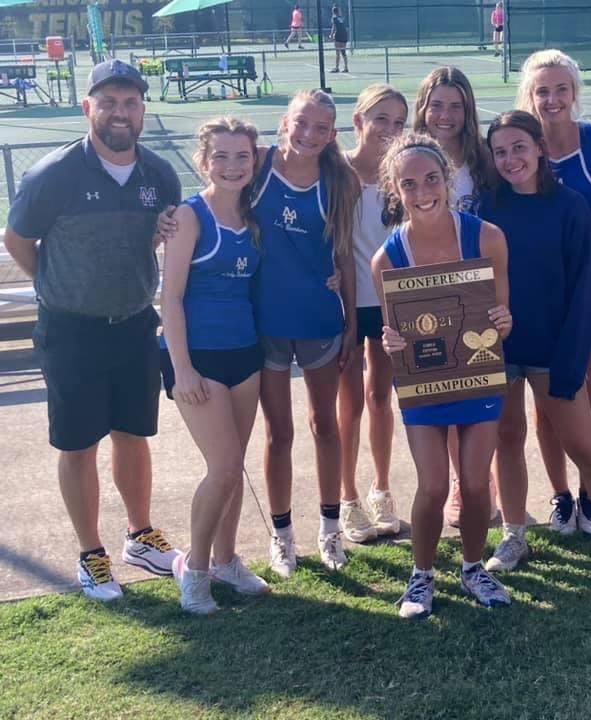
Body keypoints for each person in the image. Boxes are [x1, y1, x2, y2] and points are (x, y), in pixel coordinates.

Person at [2, 59, 180, 601]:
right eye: (109, 103)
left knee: (134, 434)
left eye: (130, 102)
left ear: (143, 109)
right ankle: (90, 553)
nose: (120, 113)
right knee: (78, 444)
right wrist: (62, 285)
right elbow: (18, 241)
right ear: (88, 108)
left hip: (133, 326)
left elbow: (154, 237)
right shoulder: (52, 175)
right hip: (70, 331)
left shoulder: (159, 174)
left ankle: (139, 535)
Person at [477, 110, 591, 578]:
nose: (510, 158)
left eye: (519, 147)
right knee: (507, 439)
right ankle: (514, 535)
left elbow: (585, 290)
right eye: (500, 151)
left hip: (551, 350)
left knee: (583, 444)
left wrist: (570, 359)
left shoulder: (570, 208)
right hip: (497, 350)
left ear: (540, 148)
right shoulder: (485, 208)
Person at [372, 133, 513, 620]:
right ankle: (422, 574)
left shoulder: (487, 237)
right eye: (408, 183)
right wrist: (391, 343)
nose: (422, 191)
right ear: (395, 189)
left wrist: (503, 320)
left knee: (475, 483)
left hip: (478, 375)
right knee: (433, 486)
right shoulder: (388, 259)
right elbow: (395, 335)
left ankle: (473, 567)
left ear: (447, 179)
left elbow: (502, 311)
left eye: (431, 178)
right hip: (425, 386)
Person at [161, 117, 270, 614]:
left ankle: (227, 560)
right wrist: (181, 369)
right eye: (220, 157)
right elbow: (172, 299)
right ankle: (195, 569)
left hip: (244, 355)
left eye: (241, 156)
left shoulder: (250, 217)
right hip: (198, 360)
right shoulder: (188, 216)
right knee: (222, 467)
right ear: (203, 162)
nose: (231, 166)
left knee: (234, 467)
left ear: (254, 160)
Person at [252, 89, 361, 577]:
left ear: (332, 134)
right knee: (279, 432)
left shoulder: (339, 180)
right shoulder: (255, 165)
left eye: (321, 128)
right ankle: (282, 536)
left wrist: (353, 321)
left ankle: (329, 530)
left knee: (325, 425)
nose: (309, 134)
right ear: (284, 121)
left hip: (319, 319)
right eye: (302, 123)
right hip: (265, 321)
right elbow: (212, 208)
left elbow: (344, 256)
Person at [515, 48, 591, 539]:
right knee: (545, 407)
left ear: (574, 92)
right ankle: (560, 495)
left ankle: (590, 495)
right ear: (529, 97)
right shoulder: (518, 146)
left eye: (560, 89)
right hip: (533, 299)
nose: (552, 99)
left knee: (588, 400)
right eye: (542, 91)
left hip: (587, 294)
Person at [412, 66, 498, 527]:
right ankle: (459, 490)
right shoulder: (408, 157)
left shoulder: (483, 162)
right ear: (423, 107)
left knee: (483, 395)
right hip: (426, 299)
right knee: (446, 391)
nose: (445, 115)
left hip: (478, 294)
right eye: (437, 104)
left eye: (456, 106)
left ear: (468, 111)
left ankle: (482, 485)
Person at [337, 84, 408, 543]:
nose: (390, 129)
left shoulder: (400, 173)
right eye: (381, 118)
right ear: (358, 120)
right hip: (344, 303)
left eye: (399, 122)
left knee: (381, 397)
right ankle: (346, 499)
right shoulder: (335, 169)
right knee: (350, 403)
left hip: (387, 302)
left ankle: (381, 489)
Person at [330, 6, 350, 73]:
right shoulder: (342, 18)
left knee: (338, 53)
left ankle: (337, 67)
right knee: (343, 53)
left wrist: (331, 35)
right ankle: (346, 67)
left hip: (338, 36)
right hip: (344, 36)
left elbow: (334, 27)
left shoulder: (334, 18)